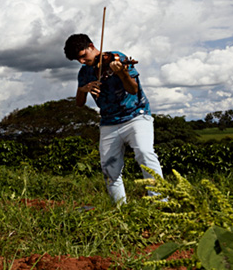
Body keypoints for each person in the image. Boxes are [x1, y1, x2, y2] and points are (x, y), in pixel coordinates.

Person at [64, 33, 163, 203]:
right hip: (109, 122)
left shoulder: (118, 58)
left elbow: (133, 90)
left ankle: (161, 202)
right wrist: (83, 89)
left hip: (136, 116)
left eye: (83, 56)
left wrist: (123, 74)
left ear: (91, 45)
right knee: (109, 168)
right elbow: (79, 103)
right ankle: (120, 209)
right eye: (77, 60)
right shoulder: (85, 72)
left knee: (145, 153)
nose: (82, 62)